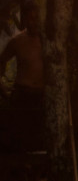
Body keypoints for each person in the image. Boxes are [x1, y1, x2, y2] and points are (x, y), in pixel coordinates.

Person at [0, 25, 45, 153]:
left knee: (38, 138)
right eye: (29, 15)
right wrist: (2, 89)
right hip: (23, 93)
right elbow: (2, 60)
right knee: (21, 135)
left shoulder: (47, 40)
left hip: (42, 95)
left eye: (35, 16)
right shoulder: (18, 41)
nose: (33, 19)